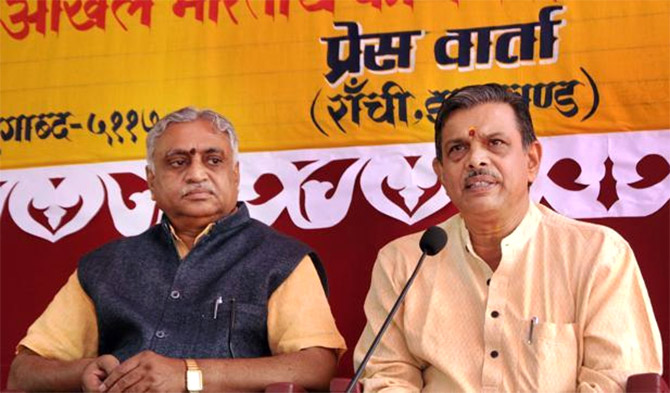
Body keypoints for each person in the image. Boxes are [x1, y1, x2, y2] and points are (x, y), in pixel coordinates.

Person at [8, 107, 346, 392]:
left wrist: (188, 375)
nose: (197, 174)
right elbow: (23, 373)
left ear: (236, 174)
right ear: (151, 181)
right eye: (178, 162)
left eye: (213, 160)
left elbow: (315, 367)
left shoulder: (281, 259)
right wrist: (82, 371)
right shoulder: (105, 266)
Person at [354, 84, 663, 392]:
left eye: (496, 143)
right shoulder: (404, 262)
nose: (476, 160)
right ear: (442, 174)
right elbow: (386, 375)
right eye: (457, 149)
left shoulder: (597, 254)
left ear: (531, 161)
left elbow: (615, 380)